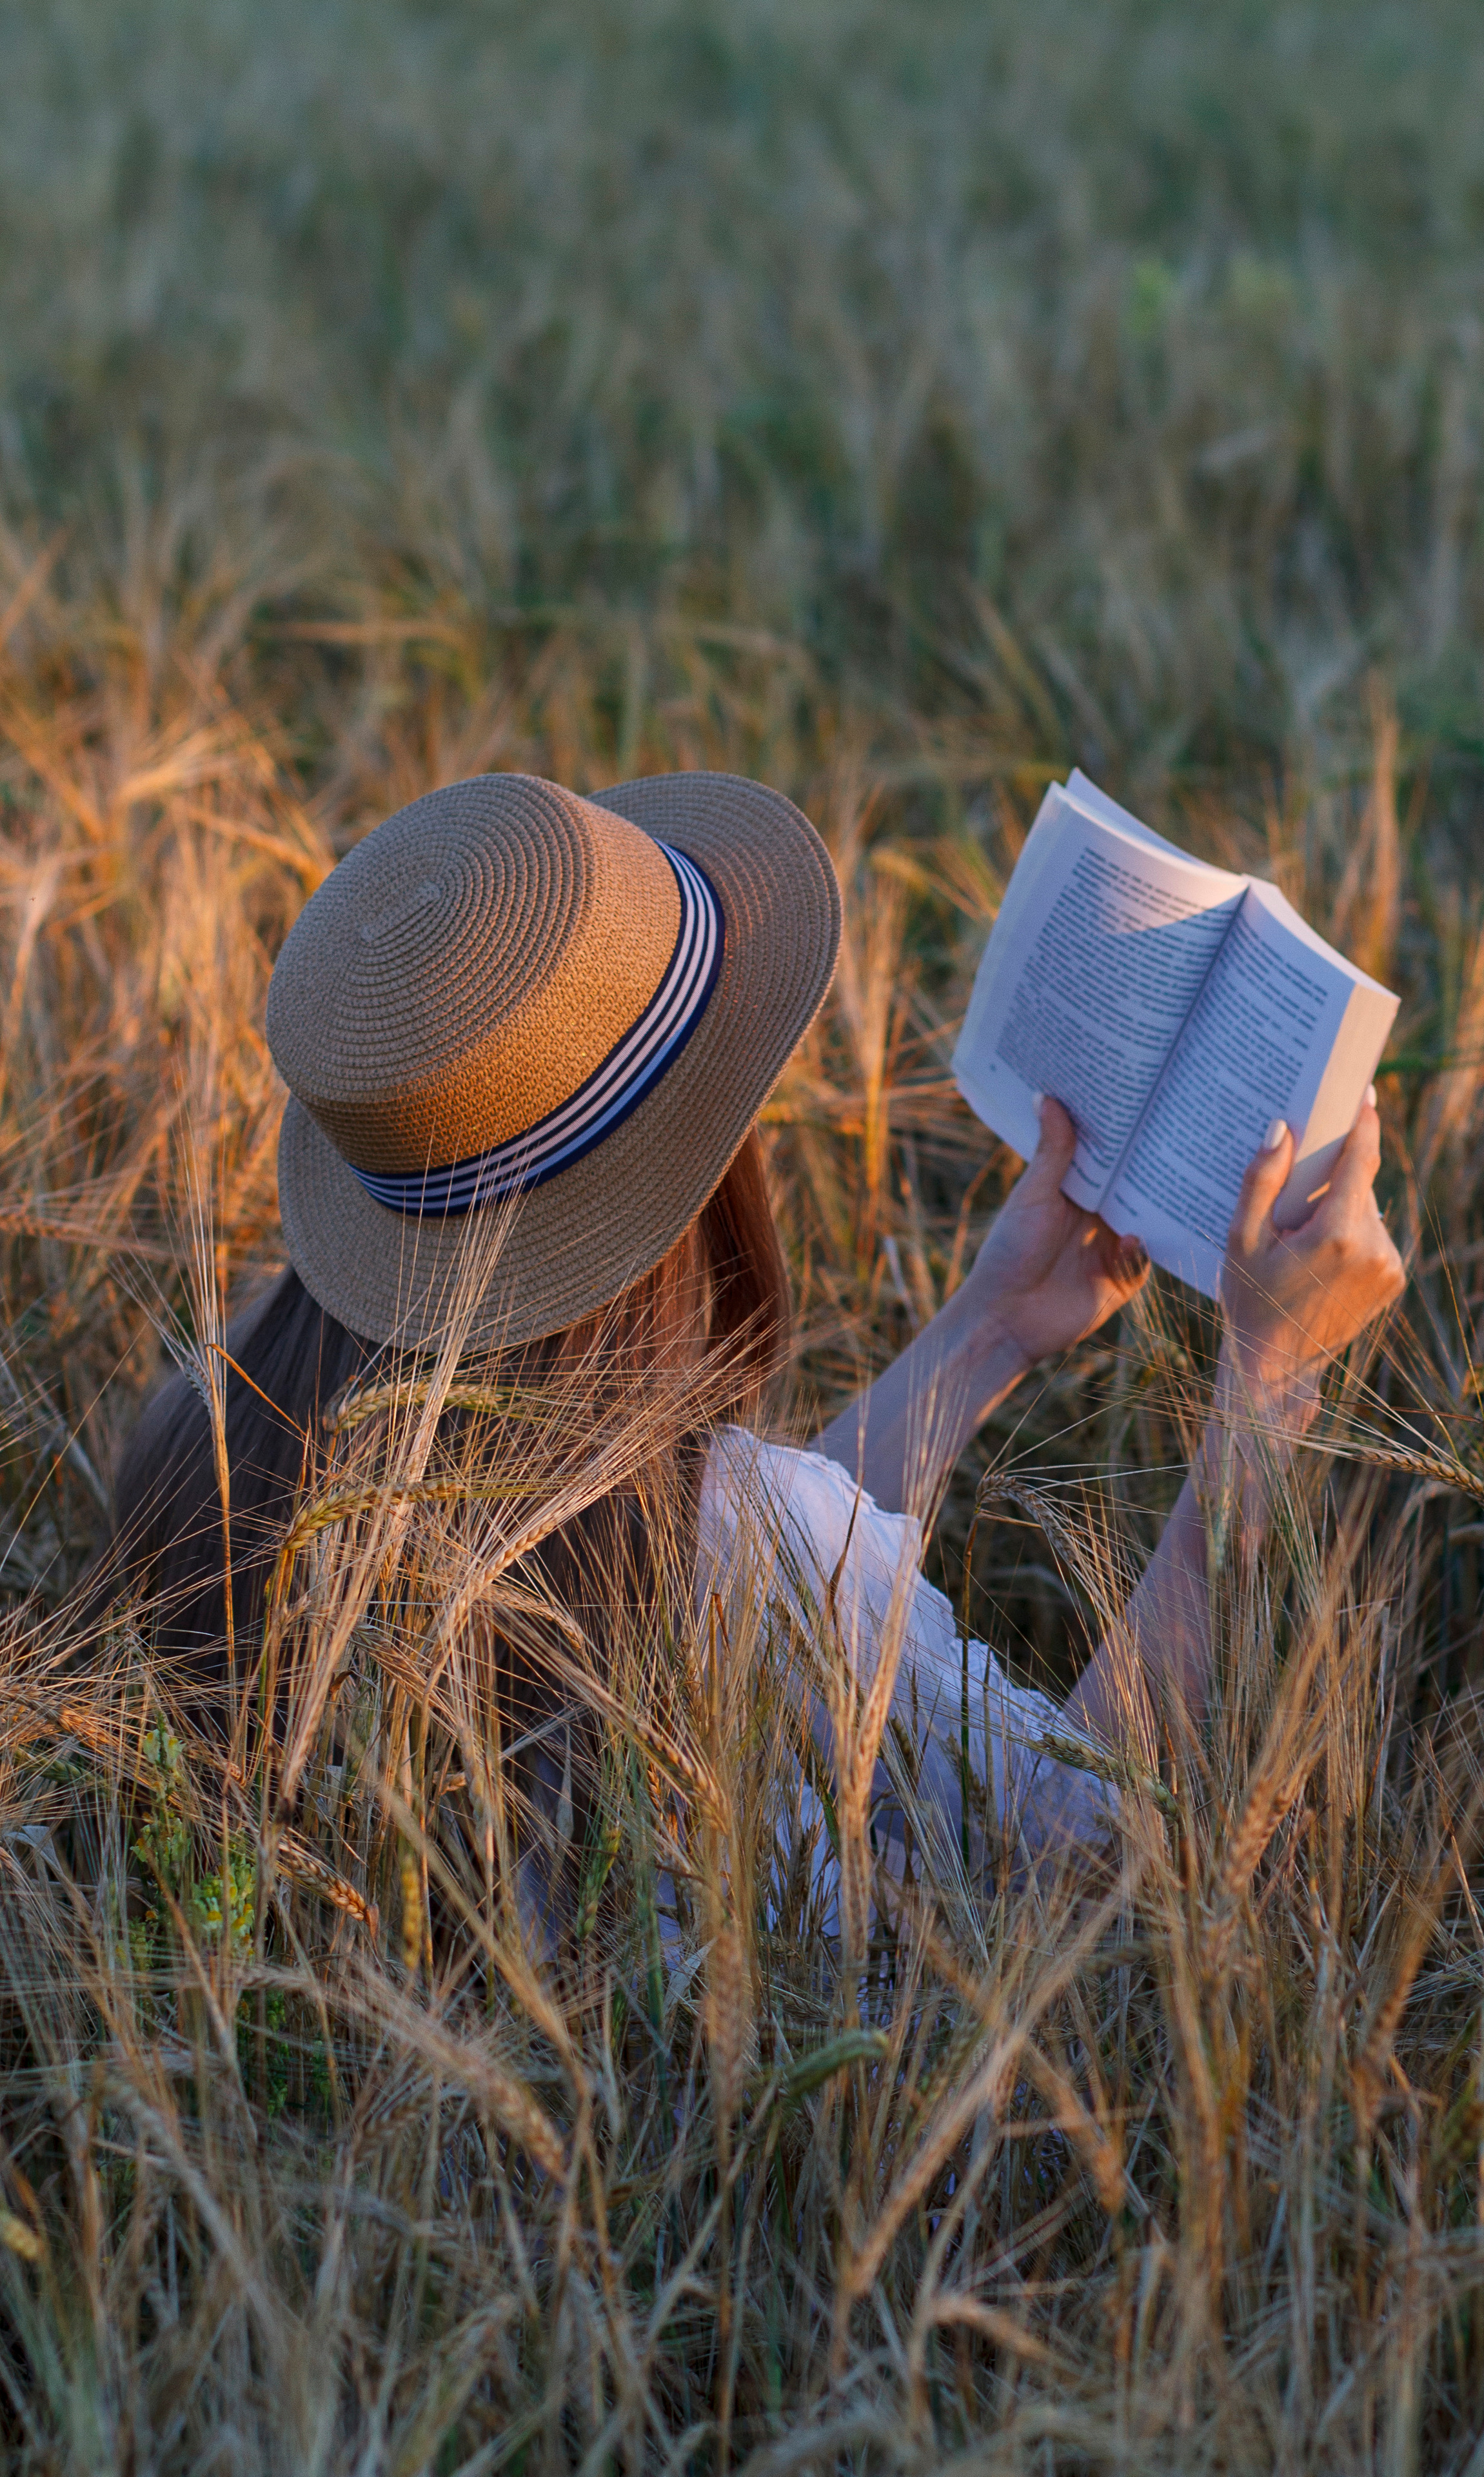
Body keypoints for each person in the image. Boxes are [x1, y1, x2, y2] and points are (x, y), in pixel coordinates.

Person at [115, 770, 1403, 1907]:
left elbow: (765, 1591)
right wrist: (1264, 1389)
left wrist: (987, 1328)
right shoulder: (727, 1542)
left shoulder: (198, 1440)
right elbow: (1072, 1845)